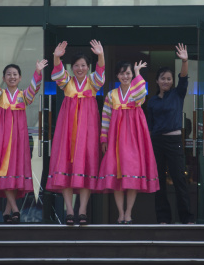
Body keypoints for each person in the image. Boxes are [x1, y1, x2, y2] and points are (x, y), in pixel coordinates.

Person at [0, 58, 47, 224]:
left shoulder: (24, 97)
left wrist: (37, 72)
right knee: (6, 172)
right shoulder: (0, 95)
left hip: (18, 140)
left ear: (20, 78)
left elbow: (33, 90)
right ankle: (15, 209)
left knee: (13, 173)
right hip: (1, 140)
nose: (12, 77)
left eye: (15, 74)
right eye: (9, 74)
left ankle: (8, 211)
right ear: (4, 77)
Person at [46, 40, 105, 225]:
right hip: (67, 132)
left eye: (83, 66)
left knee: (87, 166)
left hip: (88, 132)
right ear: (72, 68)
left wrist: (101, 55)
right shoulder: (67, 83)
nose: (80, 68)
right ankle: (69, 211)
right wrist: (56, 57)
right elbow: (57, 73)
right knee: (66, 166)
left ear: (88, 68)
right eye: (76, 66)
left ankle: (82, 210)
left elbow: (101, 73)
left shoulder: (93, 83)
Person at [97, 61, 159, 224]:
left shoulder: (136, 92)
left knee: (132, 174)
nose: (125, 76)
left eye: (128, 73)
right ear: (117, 75)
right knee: (117, 173)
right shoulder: (111, 95)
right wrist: (104, 138)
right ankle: (120, 213)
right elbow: (105, 118)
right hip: (116, 138)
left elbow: (142, 96)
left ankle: (129, 213)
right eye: (122, 73)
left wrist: (138, 73)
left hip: (134, 137)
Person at [147, 43, 194, 224]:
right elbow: (150, 126)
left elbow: (183, 78)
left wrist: (184, 61)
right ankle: (163, 218)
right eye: (163, 78)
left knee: (179, 179)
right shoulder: (151, 101)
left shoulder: (177, 94)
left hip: (174, 141)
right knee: (158, 181)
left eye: (169, 78)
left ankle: (186, 218)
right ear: (157, 81)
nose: (166, 81)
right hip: (157, 142)